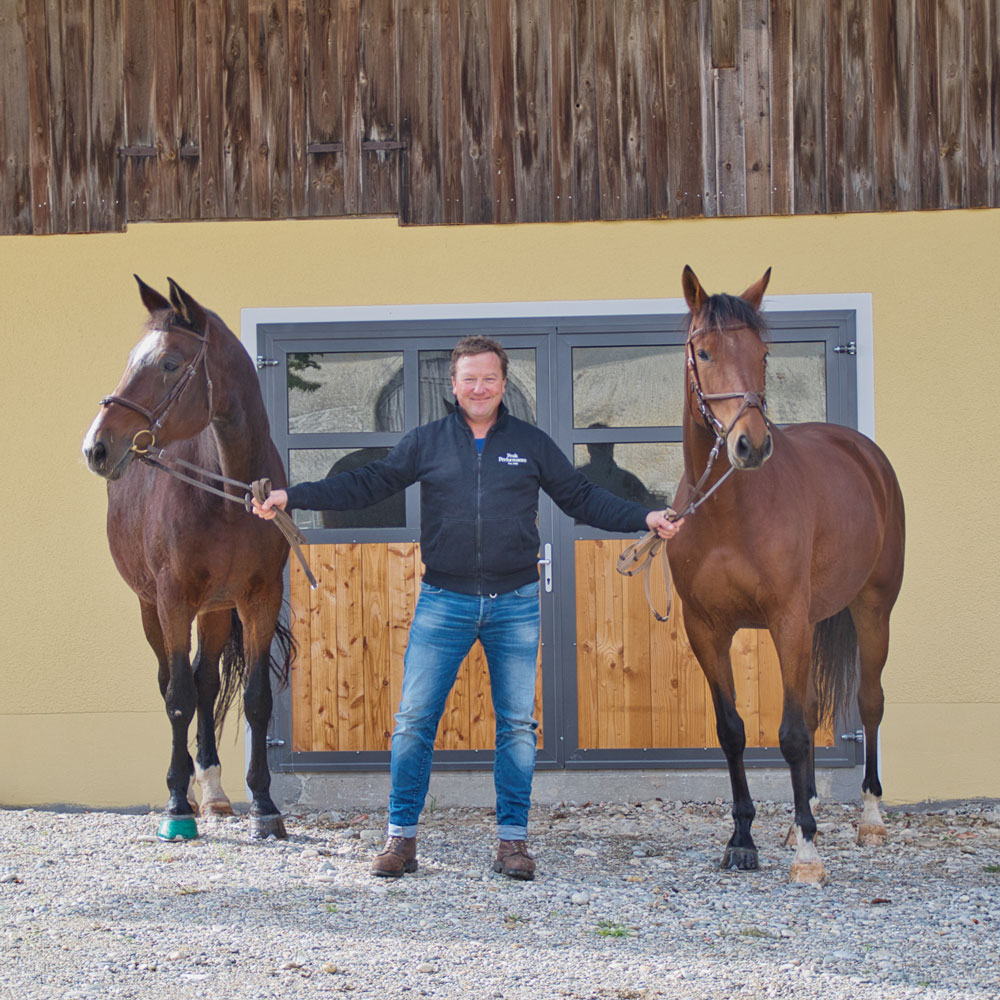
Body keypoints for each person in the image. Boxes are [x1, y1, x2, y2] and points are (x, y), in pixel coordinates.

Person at [253, 336, 681, 881]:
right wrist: (294, 497)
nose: (479, 388)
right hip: (445, 600)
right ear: (453, 386)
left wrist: (644, 518)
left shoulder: (530, 444)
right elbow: (368, 483)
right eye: (469, 379)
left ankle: (512, 844)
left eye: (489, 378)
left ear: (504, 385)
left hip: (517, 602)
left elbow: (581, 496)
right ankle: (401, 838)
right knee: (413, 723)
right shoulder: (427, 442)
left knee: (517, 728)